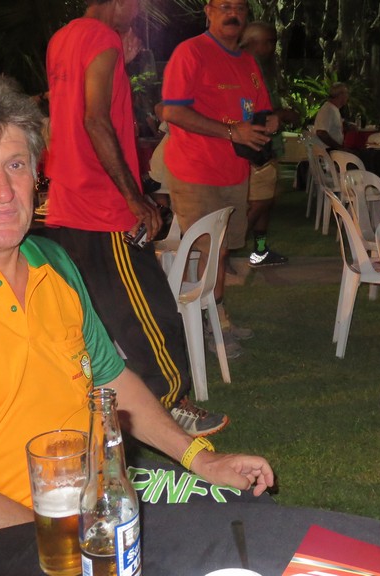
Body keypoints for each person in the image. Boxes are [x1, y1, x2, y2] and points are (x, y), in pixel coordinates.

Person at [0, 71, 274, 552]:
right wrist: (89, 550)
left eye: (15, 165)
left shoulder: (50, 262)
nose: (3, 190)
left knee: (250, 519)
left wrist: (200, 458)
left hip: (91, 503)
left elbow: (110, 381)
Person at [44, 0, 228, 436]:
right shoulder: (101, 37)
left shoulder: (62, 39)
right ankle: (170, 403)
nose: (139, 11)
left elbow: (72, 109)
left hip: (70, 202)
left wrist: (120, 64)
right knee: (151, 311)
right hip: (103, 204)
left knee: (102, 315)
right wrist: (133, 197)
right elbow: (94, 119)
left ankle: (110, 405)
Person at [161, 0, 278, 351]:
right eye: (225, 6)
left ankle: (217, 316)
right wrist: (231, 132)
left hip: (233, 171)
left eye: (239, 8)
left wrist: (270, 121)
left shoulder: (247, 62)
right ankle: (204, 325)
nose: (233, 14)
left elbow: (261, 109)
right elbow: (172, 112)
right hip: (195, 170)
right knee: (209, 251)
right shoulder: (190, 52)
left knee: (221, 252)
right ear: (209, 11)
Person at [241, 20, 291, 268]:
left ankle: (260, 251)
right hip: (255, 149)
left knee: (266, 201)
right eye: (269, 42)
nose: (272, 47)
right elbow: (254, 111)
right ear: (253, 42)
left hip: (266, 148)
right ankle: (225, 249)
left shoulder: (261, 67)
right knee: (259, 203)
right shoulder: (245, 67)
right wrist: (282, 114)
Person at [313, 82, 348, 149]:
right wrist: (339, 147)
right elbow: (321, 133)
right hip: (327, 151)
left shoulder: (334, 108)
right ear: (340, 95)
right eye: (346, 93)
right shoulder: (328, 109)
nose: (347, 96)